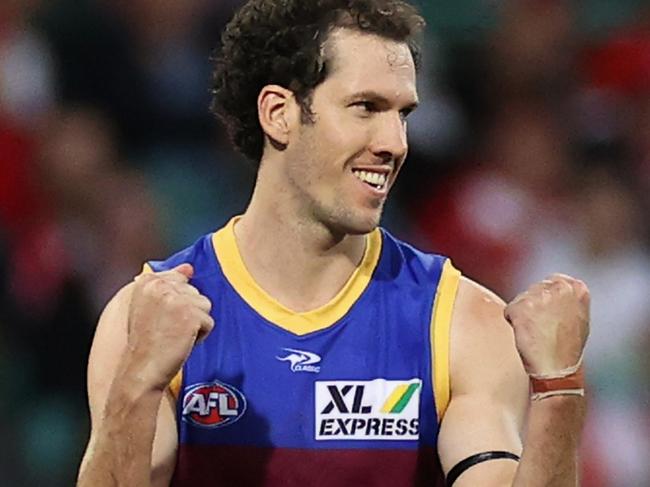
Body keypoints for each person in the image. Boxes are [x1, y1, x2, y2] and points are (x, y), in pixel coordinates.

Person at [77, 1, 590, 486]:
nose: (395, 143)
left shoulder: (459, 322)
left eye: (402, 113)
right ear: (279, 113)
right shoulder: (149, 319)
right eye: (366, 107)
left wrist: (559, 388)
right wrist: (138, 381)